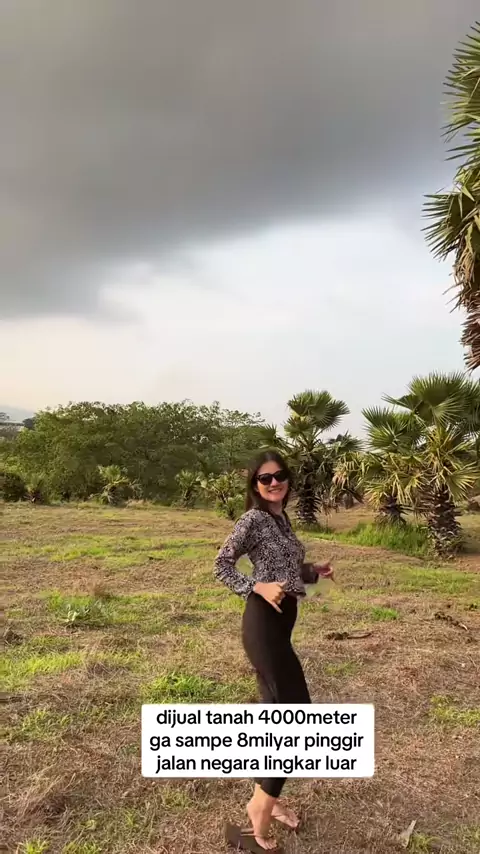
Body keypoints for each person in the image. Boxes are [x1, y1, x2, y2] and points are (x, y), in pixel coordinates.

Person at [214, 450, 334, 853]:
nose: (274, 483)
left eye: (279, 475)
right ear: (255, 484)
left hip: (281, 626)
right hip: (262, 625)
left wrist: (312, 572)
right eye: (265, 478)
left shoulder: (282, 519)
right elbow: (222, 565)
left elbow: (284, 570)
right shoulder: (252, 519)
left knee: (276, 713)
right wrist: (256, 586)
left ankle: (269, 797)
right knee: (297, 714)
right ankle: (259, 811)